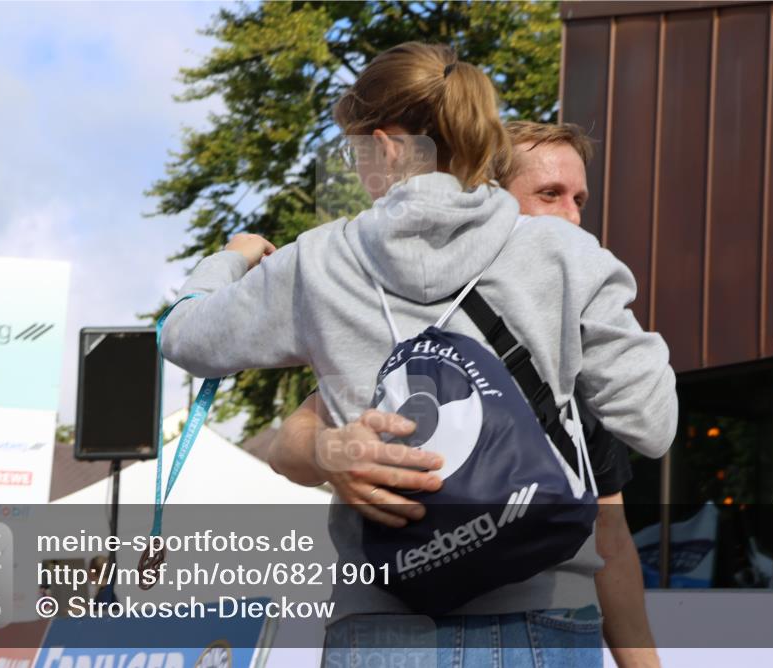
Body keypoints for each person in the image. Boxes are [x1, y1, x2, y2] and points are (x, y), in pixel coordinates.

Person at [161, 42, 677, 667]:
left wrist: (232, 257)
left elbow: (182, 336)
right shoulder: (565, 253)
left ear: (384, 147)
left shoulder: (317, 262)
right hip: (544, 616)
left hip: (383, 622)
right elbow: (651, 424)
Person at [269, 120, 661, 667]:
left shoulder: (576, 343)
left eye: (580, 200)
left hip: (538, 621)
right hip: (405, 627)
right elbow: (290, 439)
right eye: (549, 194)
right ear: (487, 203)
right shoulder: (405, 313)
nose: (572, 217)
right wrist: (327, 452)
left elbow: (610, 536)